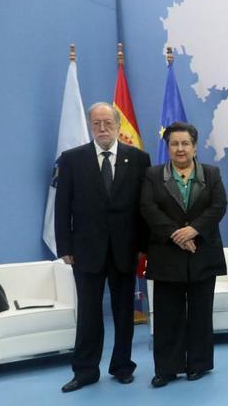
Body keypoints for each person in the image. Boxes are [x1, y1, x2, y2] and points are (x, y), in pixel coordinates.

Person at [55, 102, 150, 393]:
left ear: (118, 125)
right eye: (96, 123)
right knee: (89, 314)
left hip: (125, 250)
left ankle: (122, 366)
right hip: (85, 251)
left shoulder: (138, 159)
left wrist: (144, 247)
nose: (102, 128)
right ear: (90, 126)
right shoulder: (71, 159)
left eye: (107, 122)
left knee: (124, 314)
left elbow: (143, 208)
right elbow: (62, 207)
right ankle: (85, 371)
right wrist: (65, 246)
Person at [139, 122, 227, 388]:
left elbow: (219, 206)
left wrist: (193, 231)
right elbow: (148, 207)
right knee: (167, 315)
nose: (180, 148)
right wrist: (177, 234)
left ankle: (198, 364)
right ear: (168, 147)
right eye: (174, 144)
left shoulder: (211, 173)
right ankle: (167, 368)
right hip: (166, 254)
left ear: (194, 146)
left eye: (185, 143)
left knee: (200, 313)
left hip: (203, 252)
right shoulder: (153, 175)